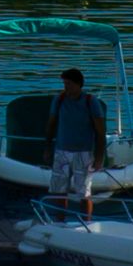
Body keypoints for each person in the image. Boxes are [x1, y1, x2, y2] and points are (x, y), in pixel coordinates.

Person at [48, 66, 107, 216]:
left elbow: (100, 131)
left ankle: (87, 222)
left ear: (78, 84)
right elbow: (51, 124)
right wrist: (47, 148)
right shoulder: (59, 100)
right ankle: (60, 221)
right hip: (61, 150)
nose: (66, 87)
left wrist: (99, 157)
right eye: (64, 84)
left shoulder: (90, 101)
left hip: (83, 152)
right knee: (59, 191)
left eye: (69, 84)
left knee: (84, 192)